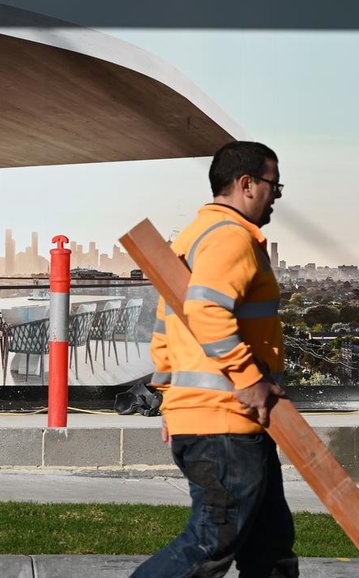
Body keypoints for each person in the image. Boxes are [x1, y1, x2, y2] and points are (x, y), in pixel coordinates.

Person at [131, 141, 298, 577]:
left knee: (270, 550)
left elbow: (166, 331)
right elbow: (206, 311)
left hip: (223, 422)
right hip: (226, 423)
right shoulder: (231, 238)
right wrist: (248, 378)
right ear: (246, 184)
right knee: (210, 543)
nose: (275, 198)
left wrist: (170, 400)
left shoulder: (191, 239)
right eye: (273, 187)